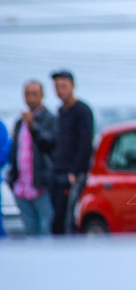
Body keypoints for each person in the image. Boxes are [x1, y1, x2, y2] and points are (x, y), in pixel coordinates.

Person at [7, 80, 58, 236]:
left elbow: (48, 144)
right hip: (22, 188)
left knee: (46, 229)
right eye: (28, 94)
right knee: (30, 231)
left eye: (34, 94)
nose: (31, 98)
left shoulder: (50, 120)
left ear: (42, 95)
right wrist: (12, 179)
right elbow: (15, 152)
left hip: (41, 187)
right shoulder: (19, 123)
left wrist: (33, 126)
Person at [49, 70, 94, 235]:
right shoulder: (61, 111)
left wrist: (75, 171)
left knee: (69, 221)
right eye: (57, 87)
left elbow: (85, 144)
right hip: (58, 172)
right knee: (57, 220)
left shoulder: (82, 111)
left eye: (64, 86)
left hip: (74, 174)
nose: (60, 90)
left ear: (72, 86)